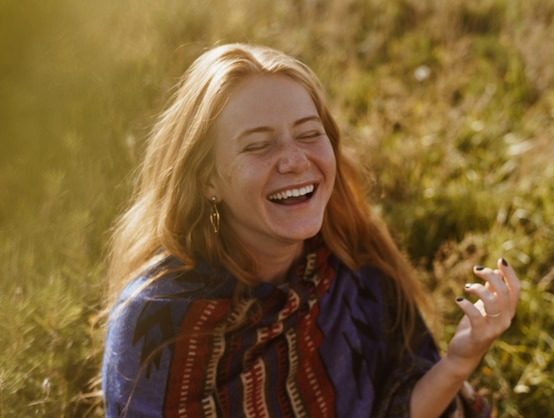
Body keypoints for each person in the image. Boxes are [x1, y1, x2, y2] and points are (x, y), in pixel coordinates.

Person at [101, 43, 520, 418]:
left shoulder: (353, 264)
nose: (295, 160)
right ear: (208, 180)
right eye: (258, 144)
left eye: (308, 134)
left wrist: (460, 359)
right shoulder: (156, 322)